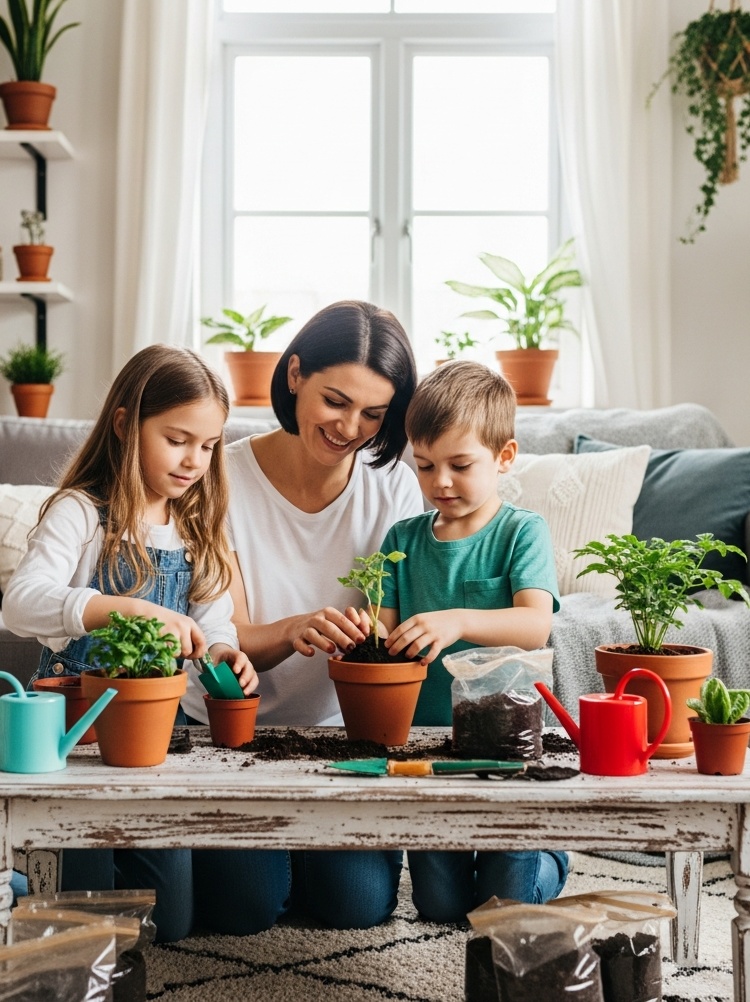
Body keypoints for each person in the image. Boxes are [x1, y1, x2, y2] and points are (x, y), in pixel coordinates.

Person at [0, 345, 258, 943]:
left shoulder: (197, 524)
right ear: (125, 424)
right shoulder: (82, 513)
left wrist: (222, 653)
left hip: (154, 746)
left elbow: (213, 623)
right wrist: (126, 608)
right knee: (83, 923)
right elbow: (23, 602)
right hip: (73, 744)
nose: (195, 460)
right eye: (177, 439)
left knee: (167, 923)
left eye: (209, 445)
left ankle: (50, 878)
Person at [186, 300, 425, 935]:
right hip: (231, 731)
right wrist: (294, 630)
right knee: (244, 909)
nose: (349, 428)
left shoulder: (395, 487)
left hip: (338, 739)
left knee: (358, 906)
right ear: (294, 375)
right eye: (335, 401)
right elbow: (226, 633)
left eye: (373, 414)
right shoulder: (221, 475)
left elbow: (393, 628)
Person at [375, 360, 569, 920]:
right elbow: (381, 635)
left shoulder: (521, 530)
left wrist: (458, 620)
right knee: (440, 907)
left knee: (503, 904)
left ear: (504, 457)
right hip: (428, 745)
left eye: (460, 465)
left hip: (508, 744)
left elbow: (534, 624)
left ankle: (551, 853)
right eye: (425, 465)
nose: (440, 481)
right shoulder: (402, 539)